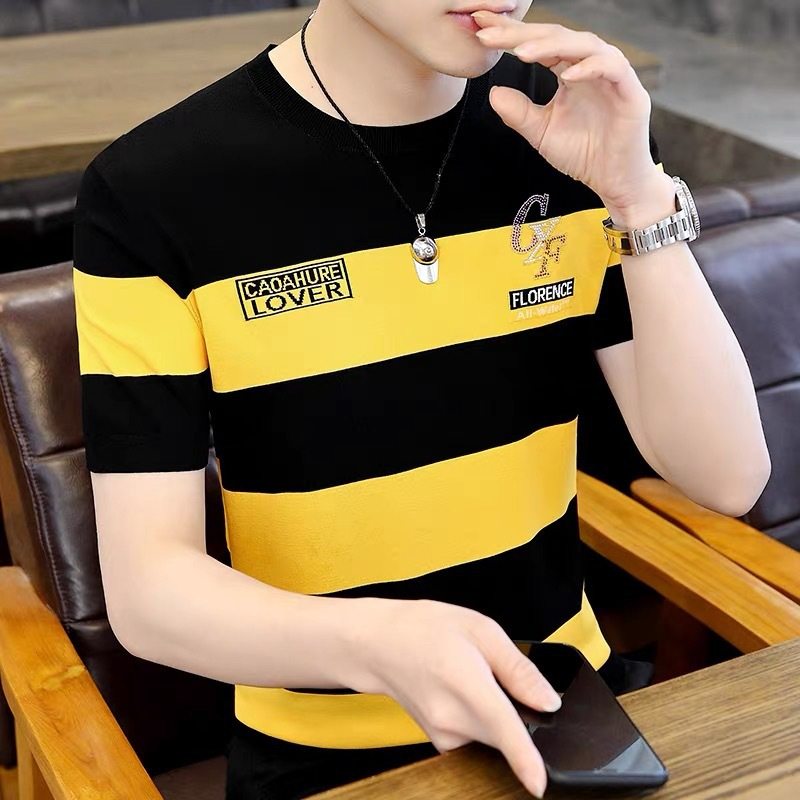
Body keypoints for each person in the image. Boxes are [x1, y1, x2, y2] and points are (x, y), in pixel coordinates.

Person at [71, 1, 771, 798]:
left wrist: (636, 195)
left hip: (570, 713)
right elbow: (150, 592)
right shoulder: (152, 190)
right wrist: (379, 643)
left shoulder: (571, 125)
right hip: (319, 754)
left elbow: (725, 478)